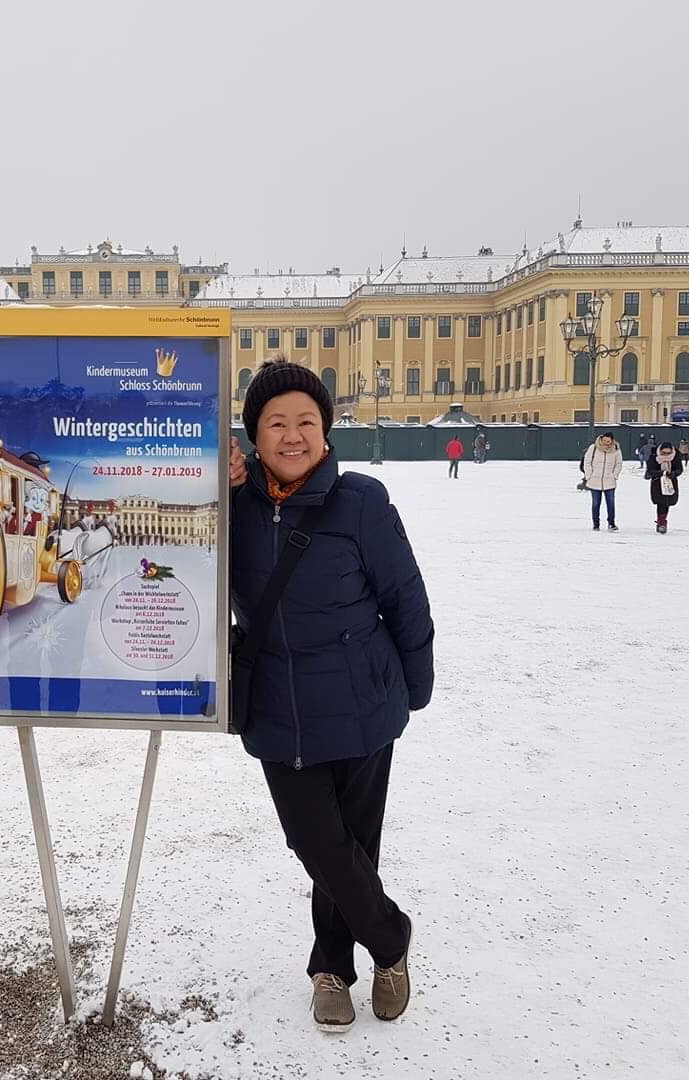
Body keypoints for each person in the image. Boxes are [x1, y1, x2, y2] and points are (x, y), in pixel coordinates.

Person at [228, 359, 433, 1032]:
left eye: (306, 422)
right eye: (276, 423)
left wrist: (416, 685)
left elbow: (405, 597)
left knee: (354, 846)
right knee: (317, 842)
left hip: (361, 704)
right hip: (276, 707)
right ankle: (391, 938)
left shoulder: (361, 502)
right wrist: (215, 480)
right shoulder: (230, 506)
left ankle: (332, 970)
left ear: (325, 430)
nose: (293, 436)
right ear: (253, 436)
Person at [582, 431, 623, 531]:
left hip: (609, 481)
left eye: (608, 441)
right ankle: (596, 524)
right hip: (595, 480)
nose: (605, 443)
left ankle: (611, 523)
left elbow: (619, 464)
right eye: (604, 440)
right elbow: (587, 462)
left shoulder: (616, 450)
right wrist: (589, 475)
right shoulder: (593, 448)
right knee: (596, 503)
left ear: (612, 441)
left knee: (611, 503)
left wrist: (614, 475)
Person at [646, 441, 684, 533]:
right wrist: (660, 473)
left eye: (668, 453)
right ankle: (661, 522)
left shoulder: (675, 456)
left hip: (670, 482)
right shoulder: (654, 455)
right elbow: (650, 469)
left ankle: (661, 521)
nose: (666, 455)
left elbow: (679, 469)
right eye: (664, 453)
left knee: (667, 502)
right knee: (661, 502)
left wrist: (673, 473)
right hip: (657, 482)